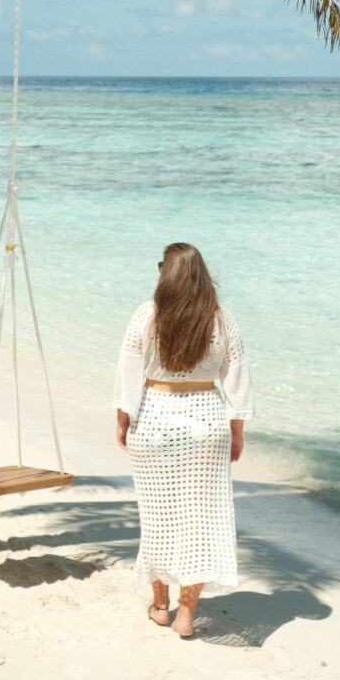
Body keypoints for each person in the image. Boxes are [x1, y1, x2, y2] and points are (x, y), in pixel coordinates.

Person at [114, 242, 254, 639]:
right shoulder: (222, 320)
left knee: (157, 518)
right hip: (207, 423)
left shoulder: (147, 314)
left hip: (155, 419)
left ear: (167, 274)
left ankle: (161, 605)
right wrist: (237, 432)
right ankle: (187, 615)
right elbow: (237, 380)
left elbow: (127, 376)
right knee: (200, 522)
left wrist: (123, 420)